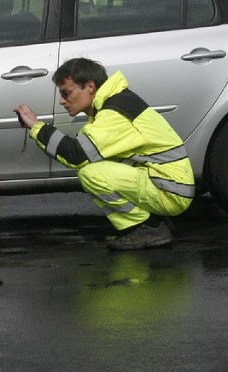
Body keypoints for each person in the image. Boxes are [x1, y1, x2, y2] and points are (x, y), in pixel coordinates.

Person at [14, 58, 194, 250]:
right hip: (167, 183)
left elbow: (76, 154)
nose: (62, 101)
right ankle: (152, 222)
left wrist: (36, 126)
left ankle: (148, 227)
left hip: (170, 190)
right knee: (95, 164)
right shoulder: (113, 104)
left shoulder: (114, 113)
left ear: (90, 86)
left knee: (91, 174)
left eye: (66, 93)